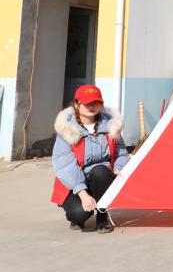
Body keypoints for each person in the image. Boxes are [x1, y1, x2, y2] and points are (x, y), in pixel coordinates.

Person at [50, 85, 130, 233]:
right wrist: (83, 193)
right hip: (75, 182)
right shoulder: (67, 129)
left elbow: (122, 152)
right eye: (87, 103)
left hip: (101, 178)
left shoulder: (112, 126)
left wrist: (119, 167)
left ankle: (102, 216)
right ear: (76, 104)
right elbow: (65, 165)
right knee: (79, 214)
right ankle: (77, 216)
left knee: (100, 171)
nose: (92, 106)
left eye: (96, 102)